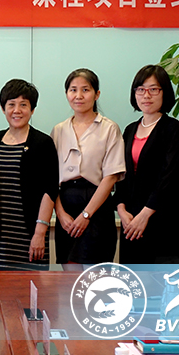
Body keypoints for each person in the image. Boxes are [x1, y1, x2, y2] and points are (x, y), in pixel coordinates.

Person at [50, 68, 125, 265]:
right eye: (73, 90)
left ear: (96, 94)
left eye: (85, 90)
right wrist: (60, 214)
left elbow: (110, 177)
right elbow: (50, 178)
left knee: (95, 279)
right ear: (66, 94)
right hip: (66, 205)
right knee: (69, 277)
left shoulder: (109, 128)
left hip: (97, 206)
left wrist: (86, 214)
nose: (79, 96)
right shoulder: (58, 130)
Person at [115, 65, 179, 264]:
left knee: (160, 279)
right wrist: (122, 210)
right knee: (131, 280)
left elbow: (169, 178)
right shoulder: (129, 130)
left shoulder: (174, 130)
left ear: (165, 92)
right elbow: (121, 175)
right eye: (141, 89)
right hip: (130, 222)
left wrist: (145, 215)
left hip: (160, 220)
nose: (146, 95)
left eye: (154, 89)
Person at [0, 79, 59, 270]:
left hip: (30, 235)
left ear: (32, 109)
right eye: (11, 104)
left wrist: (40, 233)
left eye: (23, 105)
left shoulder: (43, 143)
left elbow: (50, 190)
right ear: (3, 108)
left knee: (31, 287)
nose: (17, 110)